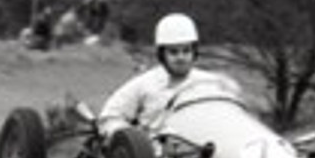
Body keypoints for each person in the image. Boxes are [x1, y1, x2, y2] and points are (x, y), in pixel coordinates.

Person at [98, 13, 242, 137]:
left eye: (186, 51)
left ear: (194, 52)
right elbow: (109, 118)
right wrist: (135, 142)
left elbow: (232, 118)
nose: (181, 57)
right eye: (173, 52)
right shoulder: (144, 84)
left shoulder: (211, 83)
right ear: (162, 55)